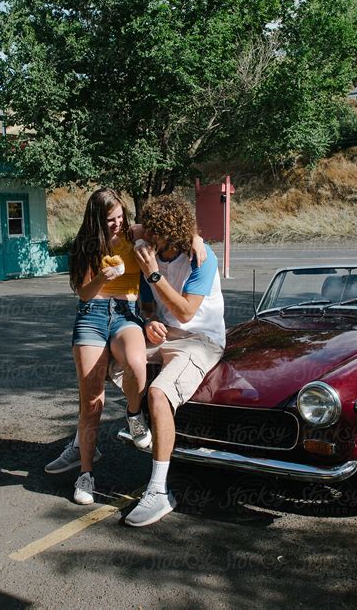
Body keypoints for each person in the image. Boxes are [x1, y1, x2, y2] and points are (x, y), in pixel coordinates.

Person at [45, 188, 206, 507]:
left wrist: (197, 240)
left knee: (136, 366)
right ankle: (86, 474)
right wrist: (102, 278)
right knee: (92, 400)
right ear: (96, 221)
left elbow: (176, 229)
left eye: (120, 217)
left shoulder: (134, 236)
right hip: (92, 316)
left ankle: (134, 414)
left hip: (125, 314)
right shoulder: (85, 246)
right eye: (110, 220)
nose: (117, 223)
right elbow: (84, 294)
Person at [118, 194, 225, 527]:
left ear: (172, 234)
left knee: (159, 394)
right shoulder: (148, 241)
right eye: (146, 230)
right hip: (166, 337)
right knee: (110, 360)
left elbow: (185, 311)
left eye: (155, 233)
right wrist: (148, 320)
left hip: (200, 340)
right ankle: (137, 422)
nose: (147, 237)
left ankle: (159, 491)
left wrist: (153, 274)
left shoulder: (201, 260)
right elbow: (150, 307)